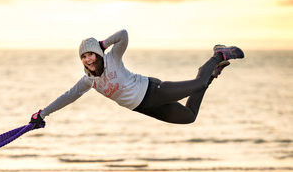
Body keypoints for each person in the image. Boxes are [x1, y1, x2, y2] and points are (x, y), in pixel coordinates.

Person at [30, 29, 244, 127]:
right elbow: (67, 97)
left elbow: (123, 34)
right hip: (143, 107)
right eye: (83, 57)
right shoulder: (89, 81)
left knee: (197, 84)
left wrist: (102, 45)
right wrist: (44, 113)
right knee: (189, 117)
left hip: (152, 90)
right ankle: (211, 74)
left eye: (91, 54)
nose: (87, 59)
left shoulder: (113, 57)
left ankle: (218, 54)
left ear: (98, 53)